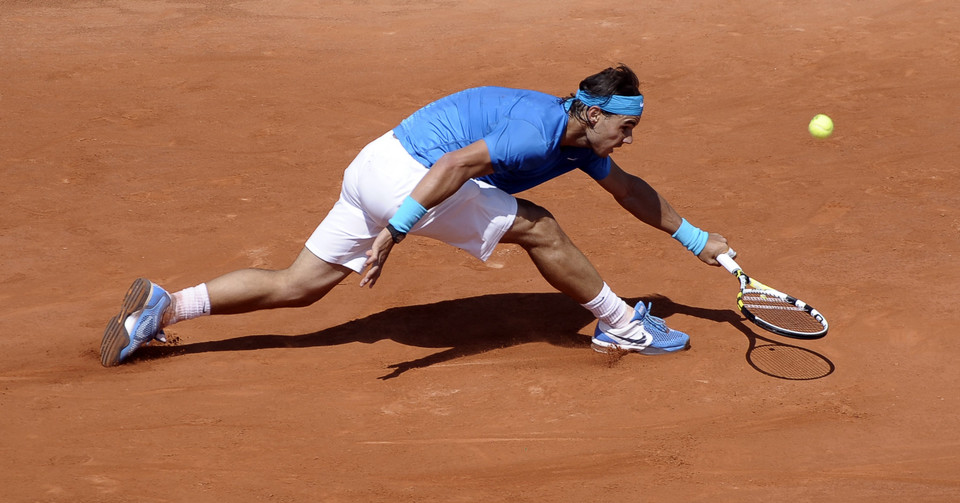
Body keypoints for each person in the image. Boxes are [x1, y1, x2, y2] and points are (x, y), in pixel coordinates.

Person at [100, 64, 730, 367]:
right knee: (537, 224)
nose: (629, 136)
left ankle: (164, 306)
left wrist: (695, 237)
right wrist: (395, 232)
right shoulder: (536, 133)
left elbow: (630, 190)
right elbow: (454, 168)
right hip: (413, 178)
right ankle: (623, 324)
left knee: (299, 286)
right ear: (594, 114)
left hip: (373, 164)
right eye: (627, 125)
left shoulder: (575, 139)